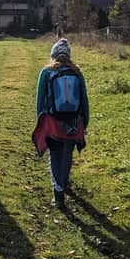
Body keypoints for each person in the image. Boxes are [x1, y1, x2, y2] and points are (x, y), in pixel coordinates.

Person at [35, 38, 89, 209]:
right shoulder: (77, 72)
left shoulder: (46, 72)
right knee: (67, 155)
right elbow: (84, 100)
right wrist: (84, 122)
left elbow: (39, 101)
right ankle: (63, 184)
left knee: (55, 155)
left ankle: (58, 193)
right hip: (73, 121)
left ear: (53, 55)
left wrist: (41, 121)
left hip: (53, 122)